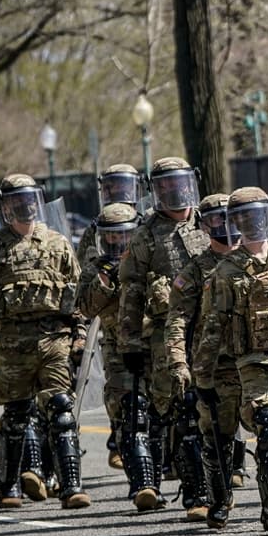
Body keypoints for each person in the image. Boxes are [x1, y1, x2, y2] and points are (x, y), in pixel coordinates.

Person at [0, 174, 90, 509]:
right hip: (11, 343)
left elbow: (77, 295)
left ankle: (71, 486)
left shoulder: (58, 244)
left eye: (29, 201)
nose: (24, 208)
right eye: (15, 202)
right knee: (17, 415)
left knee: (60, 409)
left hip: (53, 339)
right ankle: (10, 485)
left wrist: (80, 334)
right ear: (3, 208)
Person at [194, 187, 268, 536]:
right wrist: (203, 379)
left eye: (256, 216)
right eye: (242, 218)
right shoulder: (227, 271)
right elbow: (213, 328)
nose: (252, 224)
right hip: (252, 363)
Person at [117, 157, 209, 502]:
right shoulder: (146, 235)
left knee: (214, 405)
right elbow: (132, 291)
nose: (174, 190)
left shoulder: (210, 221)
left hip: (211, 330)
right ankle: (194, 493)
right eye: (165, 185)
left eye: (179, 182)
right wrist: (129, 343)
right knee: (180, 408)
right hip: (165, 334)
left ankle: (223, 479)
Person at [162, 194, 238, 519]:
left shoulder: (258, 260)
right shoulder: (194, 272)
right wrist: (179, 362)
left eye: (229, 218)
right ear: (204, 227)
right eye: (215, 220)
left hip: (258, 361)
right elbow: (177, 320)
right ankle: (218, 501)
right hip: (214, 365)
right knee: (215, 437)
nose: (224, 226)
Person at [78, 203, 146, 491]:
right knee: (127, 412)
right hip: (117, 350)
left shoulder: (147, 262)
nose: (118, 242)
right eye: (112, 237)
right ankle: (142, 483)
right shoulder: (95, 268)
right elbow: (84, 307)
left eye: (125, 236)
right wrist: (104, 280)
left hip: (151, 345)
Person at [76, 164, 142, 263]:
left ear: (135, 189)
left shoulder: (145, 222)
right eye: (113, 186)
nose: (118, 190)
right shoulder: (96, 227)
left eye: (124, 186)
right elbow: (82, 265)